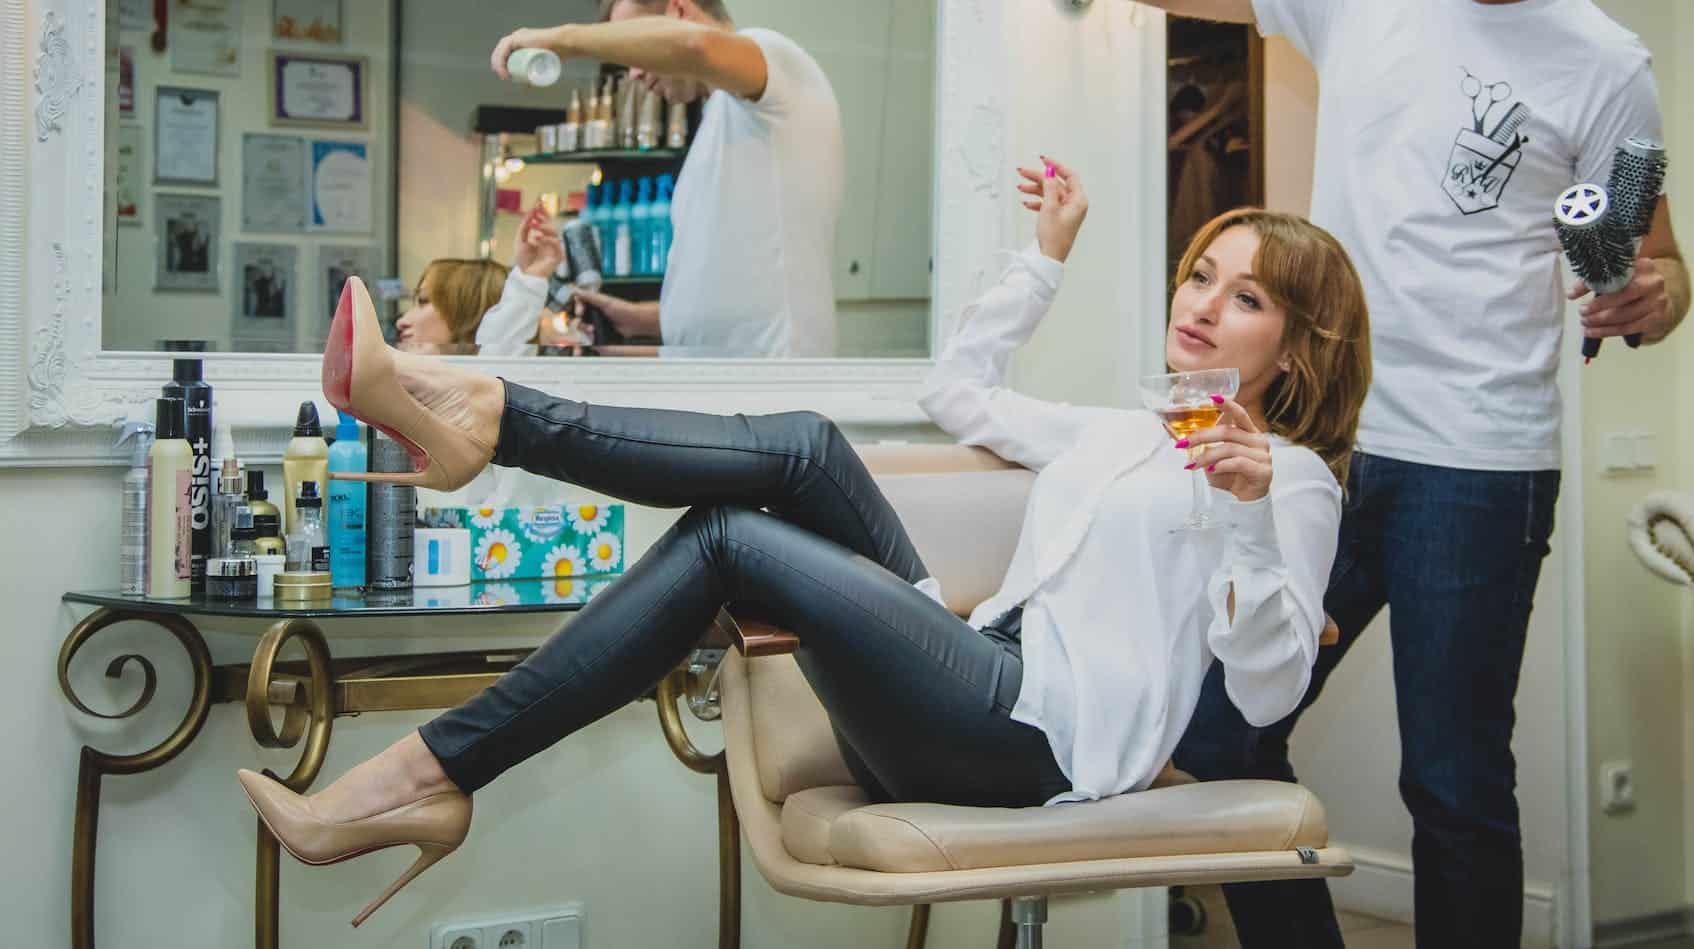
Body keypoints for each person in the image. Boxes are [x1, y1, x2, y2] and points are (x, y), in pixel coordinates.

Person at [237, 157, 1368, 930]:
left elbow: (1267, 694)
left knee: (730, 540)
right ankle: (488, 418)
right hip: (976, 672)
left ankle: (425, 761)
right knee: (808, 448)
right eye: (1200, 273)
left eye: (1247, 297)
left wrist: (1245, 506)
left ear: (1297, 344)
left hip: (1038, 745)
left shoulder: (1296, 479)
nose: (1203, 303)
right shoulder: (1122, 430)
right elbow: (956, 391)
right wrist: (1045, 255)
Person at [1116, 0, 1694, 947]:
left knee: (1452, 779)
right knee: (1217, 734)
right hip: (1320, 443)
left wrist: (1648, 296)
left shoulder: (1606, 68)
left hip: (1476, 462)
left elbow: (1651, 258)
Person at [490, 0, 844, 358]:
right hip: (720, 374)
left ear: (679, 10)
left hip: (774, 373)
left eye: (632, 45)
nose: (634, 73)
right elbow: (733, 295)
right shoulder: (719, 120)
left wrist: (563, 40)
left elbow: (697, 45)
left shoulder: (775, 57)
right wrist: (640, 321)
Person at [396, 203, 564, 355]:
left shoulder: (491, 369)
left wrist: (529, 280)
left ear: (471, 317)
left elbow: (498, 353)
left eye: (423, 301)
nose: (401, 322)